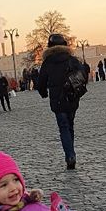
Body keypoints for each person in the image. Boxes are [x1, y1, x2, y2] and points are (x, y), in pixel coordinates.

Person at [37, 34, 88, 170]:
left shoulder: (48, 62)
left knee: (63, 127)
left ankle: (70, 155)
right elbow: (83, 74)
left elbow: (41, 82)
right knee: (70, 125)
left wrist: (43, 93)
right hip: (71, 98)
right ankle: (71, 153)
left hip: (57, 100)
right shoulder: (72, 59)